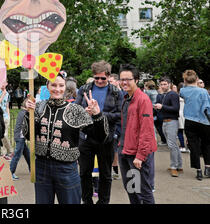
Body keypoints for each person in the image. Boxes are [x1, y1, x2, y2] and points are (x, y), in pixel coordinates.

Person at [25, 72, 109, 204]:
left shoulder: (75, 110)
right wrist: (27, 113)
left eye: (61, 85)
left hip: (66, 170)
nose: (57, 89)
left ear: (65, 87)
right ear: (47, 86)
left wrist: (97, 114)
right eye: (53, 85)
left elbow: (100, 137)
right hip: (42, 167)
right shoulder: (39, 107)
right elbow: (27, 134)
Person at [75, 60, 123, 204]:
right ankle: (87, 201)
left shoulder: (116, 92)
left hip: (107, 138)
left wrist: (99, 114)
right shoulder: (84, 89)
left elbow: (120, 115)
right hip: (86, 136)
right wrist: (85, 112)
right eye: (97, 78)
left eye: (103, 78)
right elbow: (75, 110)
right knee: (84, 173)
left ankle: (103, 202)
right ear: (93, 76)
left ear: (108, 76)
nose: (100, 81)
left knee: (106, 174)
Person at [118, 64, 157, 204]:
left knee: (143, 191)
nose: (124, 82)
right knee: (131, 189)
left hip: (137, 154)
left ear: (137, 80)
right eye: (122, 79)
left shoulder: (143, 99)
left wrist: (140, 156)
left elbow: (147, 131)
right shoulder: (126, 98)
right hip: (124, 150)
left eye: (128, 79)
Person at [179, 70, 210, 180]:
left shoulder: (183, 91)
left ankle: (198, 171)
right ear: (197, 79)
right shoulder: (203, 92)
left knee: (194, 146)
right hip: (204, 121)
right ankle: (207, 167)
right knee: (206, 144)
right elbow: (207, 108)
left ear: (185, 80)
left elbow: (183, 92)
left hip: (190, 121)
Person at [154, 77, 182, 177]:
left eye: (165, 84)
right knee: (173, 144)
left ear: (170, 84)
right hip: (165, 121)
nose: (163, 86)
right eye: (161, 84)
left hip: (172, 121)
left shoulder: (173, 94)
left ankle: (174, 167)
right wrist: (158, 107)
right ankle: (178, 165)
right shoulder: (165, 95)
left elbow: (176, 108)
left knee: (171, 145)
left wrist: (162, 107)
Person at [9, 98, 31, 180]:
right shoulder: (25, 113)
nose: (30, 104)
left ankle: (32, 170)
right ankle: (10, 172)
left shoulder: (24, 112)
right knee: (17, 155)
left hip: (20, 137)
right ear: (25, 104)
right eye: (28, 103)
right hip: (20, 137)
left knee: (27, 154)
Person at [0, 80, 13, 160]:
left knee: (4, 134)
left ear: (6, 84)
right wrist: (3, 94)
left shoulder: (7, 94)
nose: (3, 84)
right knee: (1, 135)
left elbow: (7, 106)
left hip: (5, 116)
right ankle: (7, 152)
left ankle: (7, 152)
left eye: (4, 82)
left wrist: (8, 116)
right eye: (1, 82)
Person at [176, 82, 189, 153]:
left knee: (180, 132)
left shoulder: (177, 96)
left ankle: (182, 146)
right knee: (188, 132)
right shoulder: (189, 96)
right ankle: (189, 147)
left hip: (179, 115)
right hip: (187, 115)